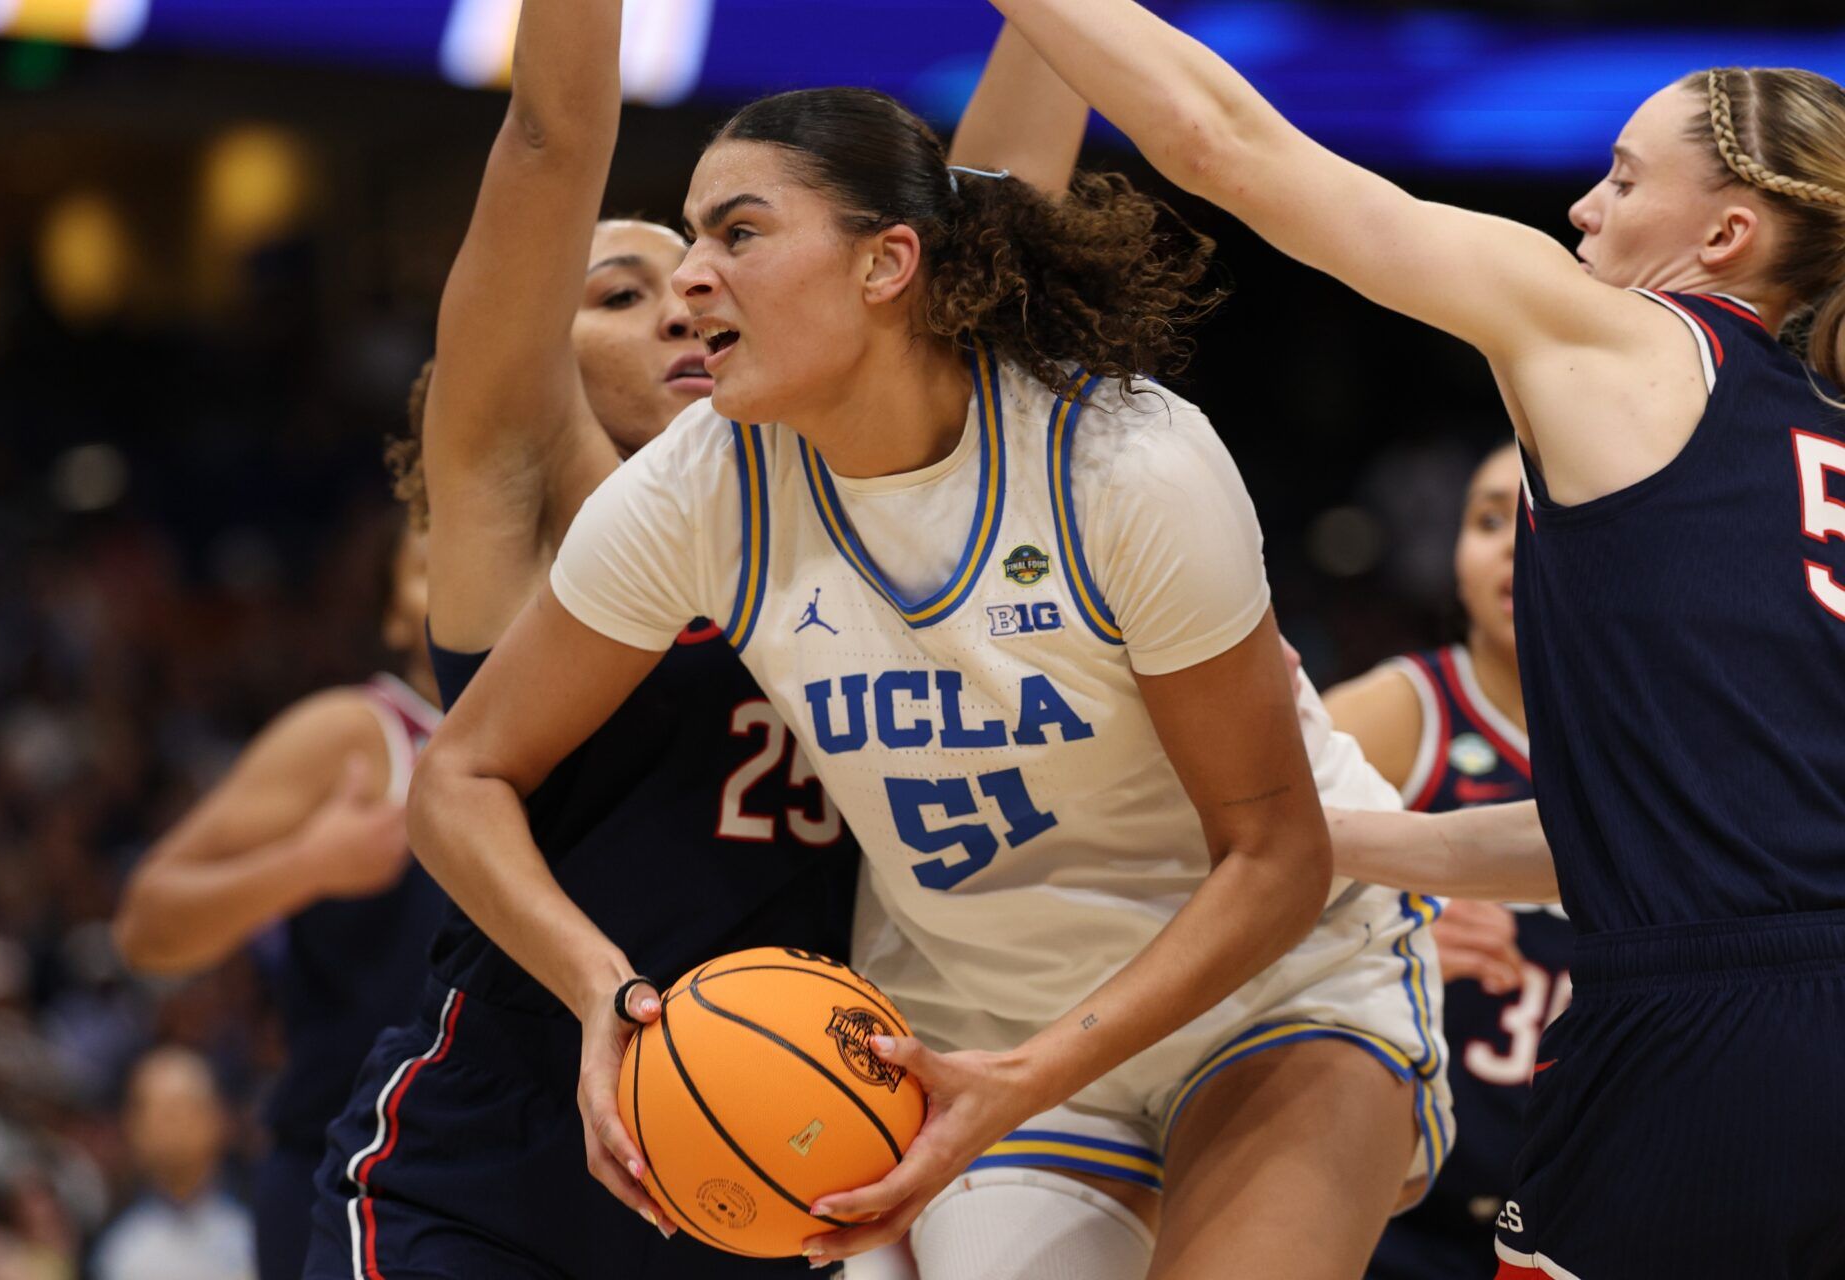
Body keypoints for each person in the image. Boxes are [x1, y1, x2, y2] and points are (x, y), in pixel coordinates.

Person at [410, 46, 1458, 1276]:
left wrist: (1031, 1074)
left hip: (1273, 984)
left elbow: (1277, 856)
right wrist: (607, 992)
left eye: (737, 233)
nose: (692, 279)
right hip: (977, 1016)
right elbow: (457, 776)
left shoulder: (1125, 462)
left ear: (886, 263)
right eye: (690, 238)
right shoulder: (699, 485)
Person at [986, 7, 1845, 1274]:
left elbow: (1228, 144)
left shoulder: (1632, 344)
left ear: (1725, 236)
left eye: (1621, 177)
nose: (1581, 212)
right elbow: (1643, 834)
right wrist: (1297, 844)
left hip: (1710, 1035)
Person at [298, 1, 883, 1276]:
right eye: (618, 293)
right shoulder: (528, 514)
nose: (680, 303)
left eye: (696, 274)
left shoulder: (857, 507)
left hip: (758, 1183)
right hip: (490, 1170)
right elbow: (552, 138)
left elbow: (996, 200)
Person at [112, 517, 443, 1280]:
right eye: (431, 568)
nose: (462, 584)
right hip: (353, 1176)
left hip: (507, 1167)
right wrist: (308, 864)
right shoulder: (356, 735)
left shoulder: (568, 732)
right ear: (392, 611)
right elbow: (144, 923)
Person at [1321, 446, 1575, 1280]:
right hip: (1397, 1213)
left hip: (1594, 1218)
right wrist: (1389, 937)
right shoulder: (1404, 712)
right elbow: (1209, 873)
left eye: (1540, 515)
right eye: (1488, 519)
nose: (1510, 543)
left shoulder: (1699, 737)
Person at [90, 1046, 254, 1280]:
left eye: (179, 1109)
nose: (167, 1127)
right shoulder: (112, 1246)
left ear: (219, 1117)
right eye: (151, 1111)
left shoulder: (257, 1227)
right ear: (131, 1126)